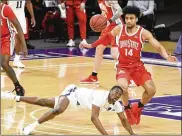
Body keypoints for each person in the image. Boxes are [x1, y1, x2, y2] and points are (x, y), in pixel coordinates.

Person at [79, 6, 177, 125]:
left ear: (136, 19)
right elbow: (105, 38)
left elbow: (158, 46)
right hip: (123, 66)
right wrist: (90, 45)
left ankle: (138, 107)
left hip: (137, 67)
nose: (129, 21)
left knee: (151, 90)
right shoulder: (119, 29)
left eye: (131, 18)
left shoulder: (143, 33)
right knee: (123, 87)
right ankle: (127, 109)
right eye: (127, 18)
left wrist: (167, 56)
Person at [1, 84, 136, 135]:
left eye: (118, 94)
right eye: (114, 92)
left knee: (43, 102)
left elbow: (124, 120)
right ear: (110, 91)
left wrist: (132, 134)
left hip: (77, 104)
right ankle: (29, 128)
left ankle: (14, 97)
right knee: (58, 110)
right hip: (73, 93)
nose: (116, 94)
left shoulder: (117, 105)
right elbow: (94, 117)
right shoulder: (101, 96)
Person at [80, 0, 123, 84]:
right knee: (99, 49)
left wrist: (109, 21)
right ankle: (93, 77)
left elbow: (120, 11)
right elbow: (106, 11)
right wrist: (101, 20)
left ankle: (130, 76)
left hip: (117, 26)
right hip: (107, 27)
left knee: (114, 54)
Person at [0, 3, 27, 96]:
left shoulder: (5, 8)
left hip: (6, 38)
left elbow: (18, 27)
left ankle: (18, 86)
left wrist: (24, 45)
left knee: (4, 63)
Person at [7, 0, 36, 68]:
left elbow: (28, 2)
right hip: (9, 14)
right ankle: (4, 61)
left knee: (19, 37)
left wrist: (32, 17)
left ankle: (16, 59)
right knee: (8, 39)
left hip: (20, 16)